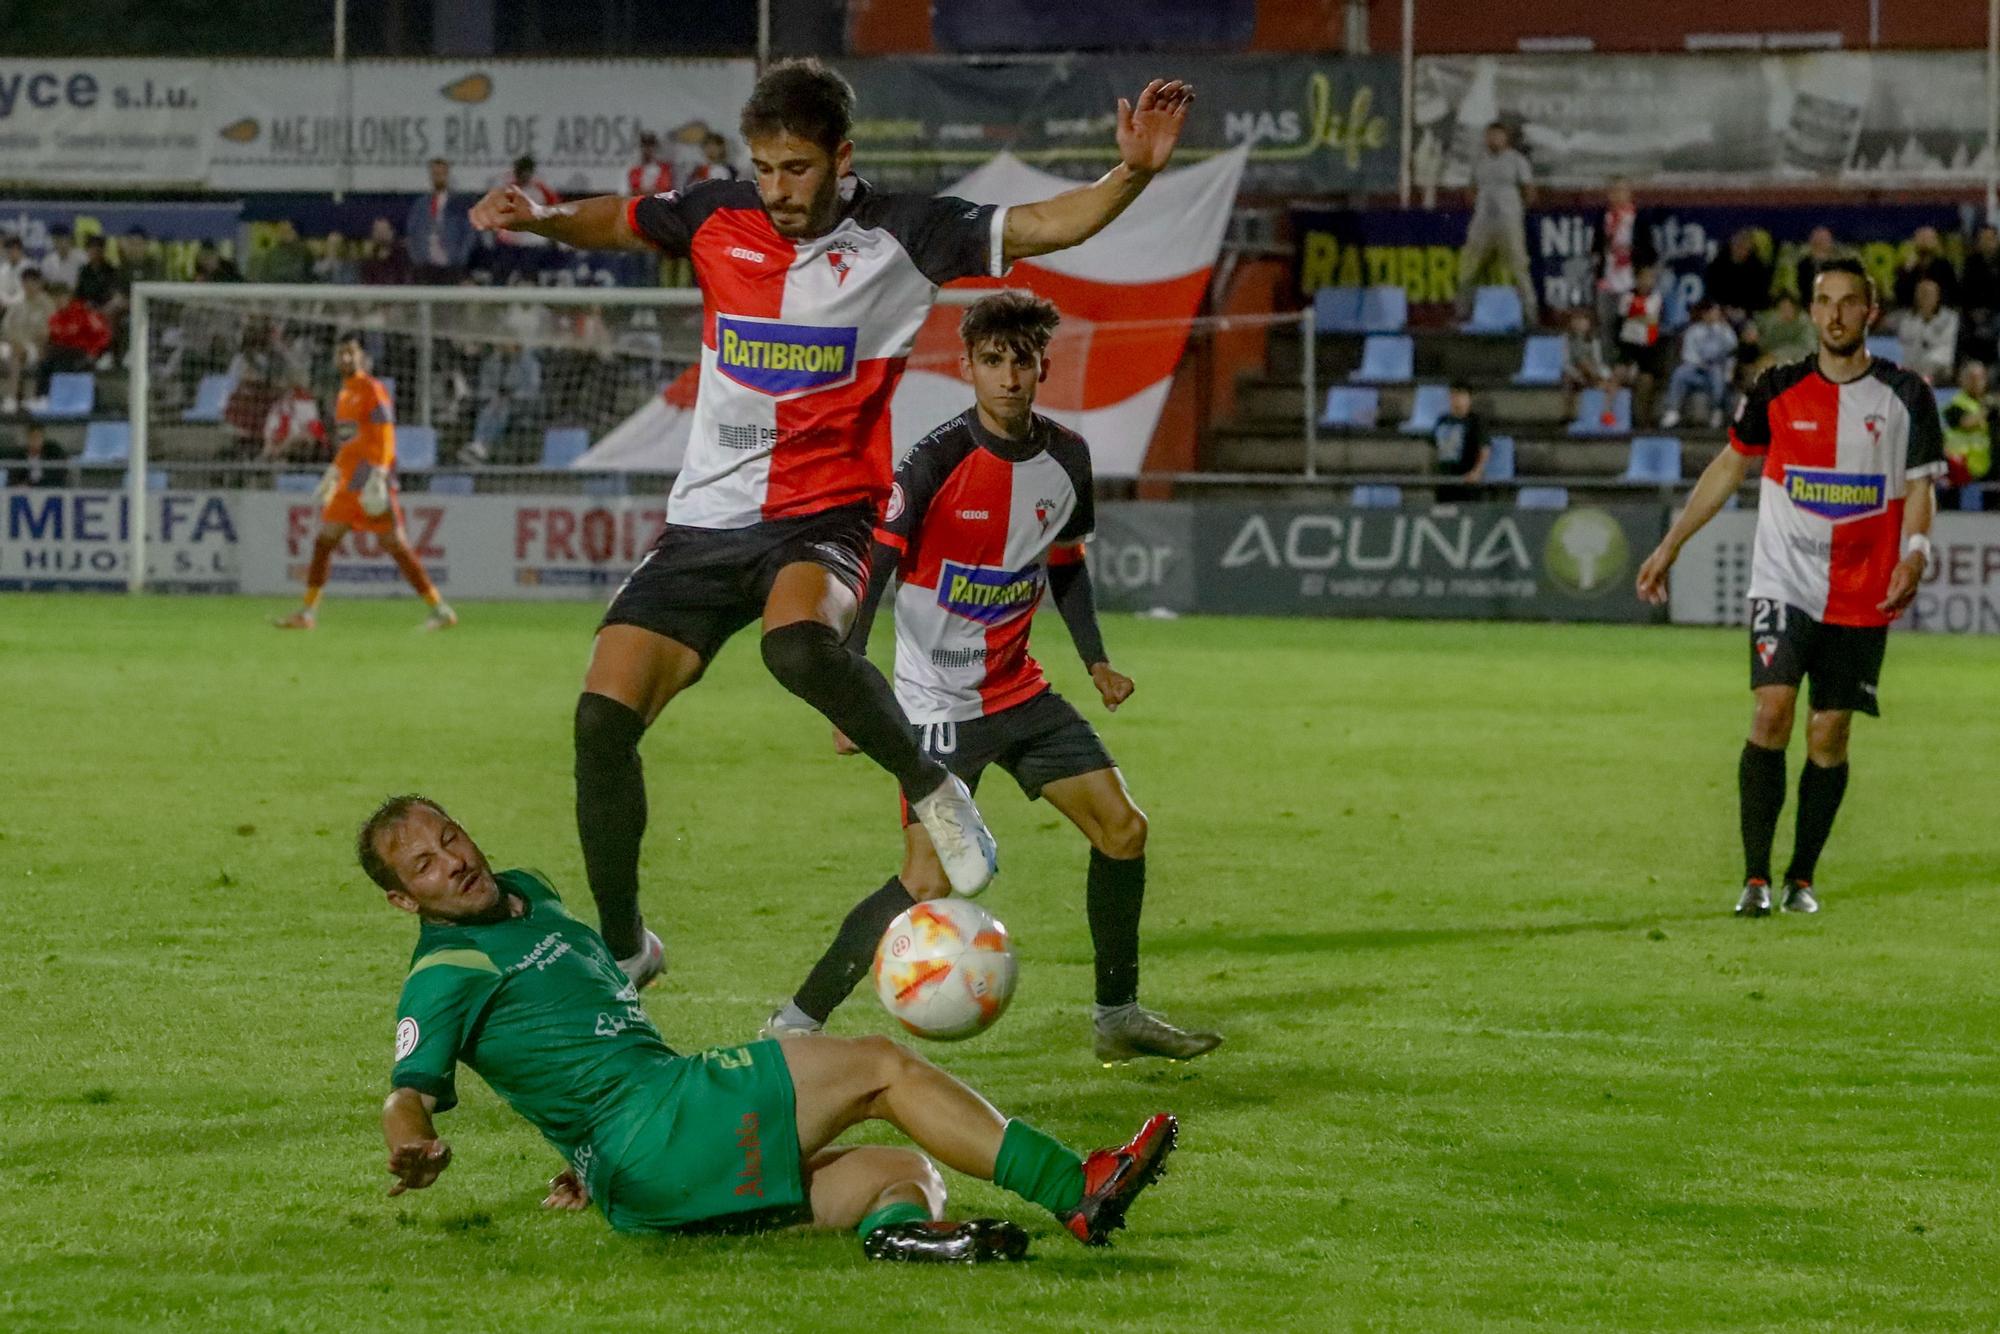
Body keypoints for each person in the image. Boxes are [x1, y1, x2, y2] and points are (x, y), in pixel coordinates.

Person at [467, 59, 1194, 984]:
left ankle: (940, 793)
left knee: (797, 648)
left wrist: (1131, 172)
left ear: (841, 157)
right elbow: (622, 219)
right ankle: (624, 947)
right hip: (703, 525)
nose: (777, 191)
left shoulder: (910, 231)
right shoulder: (718, 213)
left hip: (826, 518)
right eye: (765, 168)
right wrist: (543, 217)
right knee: (600, 722)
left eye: (797, 169)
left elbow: (1052, 225)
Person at [361, 794, 1179, 1263]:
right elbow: (407, 1093)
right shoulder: (443, 972)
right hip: (660, 1121)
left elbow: (571, 1036)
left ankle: (907, 1243)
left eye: (450, 837)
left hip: (643, 1183)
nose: (453, 862)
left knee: (907, 1171)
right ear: (403, 902)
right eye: (423, 866)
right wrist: (412, 1143)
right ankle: (1077, 1187)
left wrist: (587, 1153)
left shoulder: (526, 889)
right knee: (881, 1067)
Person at [765, 293, 1221, 1063]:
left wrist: (1096, 659)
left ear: (1042, 365)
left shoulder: (1067, 458)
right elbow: (877, 566)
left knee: (1123, 830)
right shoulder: (936, 459)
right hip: (937, 706)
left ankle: (1117, 1016)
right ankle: (797, 1022)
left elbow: (1065, 562)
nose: (1008, 377)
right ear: (967, 367)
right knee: (922, 882)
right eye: (991, 361)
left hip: (1022, 691)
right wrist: (851, 685)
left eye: (1020, 361)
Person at [1635, 259, 1944, 917]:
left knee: (1829, 734)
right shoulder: (1774, 388)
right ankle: (1754, 878)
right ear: (1811, 311)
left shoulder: (1907, 394)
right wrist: (1671, 544)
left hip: (1863, 591)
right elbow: (1728, 467)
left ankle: (1801, 877)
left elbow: (1920, 487)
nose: (1834, 314)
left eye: (1848, 302)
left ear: (1871, 312)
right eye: (1823, 301)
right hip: (1784, 581)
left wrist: (1915, 554)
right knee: (1772, 710)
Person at [274, 336, 456, 631]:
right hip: (352, 477)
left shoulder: (372, 389)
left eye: (351, 354)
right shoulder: (343, 395)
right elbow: (349, 444)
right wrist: (334, 471)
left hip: (370, 474)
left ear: (361, 359)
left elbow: (385, 432)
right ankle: (307, 613)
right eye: (341, 353)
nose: (345, 359)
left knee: (395, 544)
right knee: (325, 541)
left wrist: (381, 472)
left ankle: (440, 608)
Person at [1455, 121, 1537, 326]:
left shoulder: (1516, 160)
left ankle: (1530, 316)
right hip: (1483, 221)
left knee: (1519, 268)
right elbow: (1471, 188)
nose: (1493, 140)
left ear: (1505, 138)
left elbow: (1529, 190)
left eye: (1497, 136)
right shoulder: (1479, 161)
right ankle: (1463, 314)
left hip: (1508, 221)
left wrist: (1516, 210)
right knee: (1470, 267)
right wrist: (1478, 205)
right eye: (1489, 135)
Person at [1659, 301, 1738, 429]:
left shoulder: (1726, 331)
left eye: (1716, 312)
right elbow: (1688, 354)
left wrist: (1728, 372)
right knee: (1680, 373)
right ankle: (1673, 412)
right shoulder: (1694, 330)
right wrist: (1701, 364)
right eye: (1711, 312)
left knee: (1716, 372)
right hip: (1698, 371)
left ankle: (1716, 412)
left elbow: (1732, 354)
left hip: (1718, 374)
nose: (1714, 315)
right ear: (1704, 314)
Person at [1593, 177, 1648, 342]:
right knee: (1607, 326)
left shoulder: (1639, 217)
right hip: (1608, 280)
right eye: (1614, 191)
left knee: (1637, 329)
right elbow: (1595, 247)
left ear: (1629, 194)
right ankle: (1609, 363)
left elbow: (1648, 248)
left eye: (1622, 190)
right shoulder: (1603, 218)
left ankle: (1635, 365)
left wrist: (1643, 273)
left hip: (1632, 279)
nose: (1617, 195)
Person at [406, 158, 473, 284]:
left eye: (441, 174)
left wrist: (461, 257)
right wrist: (417, 258)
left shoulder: (459, 203)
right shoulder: (421, 204)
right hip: (426, 263)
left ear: (447, 175)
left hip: (451, 262)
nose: (438, 177)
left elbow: (469, 232)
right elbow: (412, 232)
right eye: (435, 174)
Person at [1939, 358, 1995, 509]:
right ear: (1962, 380)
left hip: (1985, 468)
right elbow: (1966, 422)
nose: (1976, 382)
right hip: (1959, 470)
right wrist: (1989, 408)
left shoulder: (1986, 404)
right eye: (1971, 378)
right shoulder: (1955, 404)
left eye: (1980, 378)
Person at [1, 266, 54, 413]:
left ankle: (11, 398)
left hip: (35, 347)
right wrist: (14, 340)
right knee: (13, 349)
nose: (29, 286)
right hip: (12, 343)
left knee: (16, 353)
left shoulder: (47, 304)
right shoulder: (17, 303)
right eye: (26, 282)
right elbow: (5, 328)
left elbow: (48, 331)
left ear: (39, 283)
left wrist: (26, 343)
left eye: (32, 282)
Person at [1429, 382, 1490, 503]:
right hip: (1444, 482)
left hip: (1467, 483)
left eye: (1461, 395)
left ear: (1469, 399)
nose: (1456, 399)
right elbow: (1434, 447)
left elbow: (1484, 449)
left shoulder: (1475, 422)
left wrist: (1476, 472)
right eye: (1453, 395)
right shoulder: (1442, 421)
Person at [1704, 229, 1773, 327]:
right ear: (1732, 245)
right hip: (1721, 311)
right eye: (1737, 246)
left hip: (1748, 314)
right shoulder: (1718, 264)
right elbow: (1711, 290)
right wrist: (1724, 309)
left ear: (1750, 250)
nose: (1740, 250)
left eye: (1745, 248)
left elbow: (1761, 297)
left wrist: (1746, 311)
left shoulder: (1758, 269)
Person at [1896, 278, 1958, 384]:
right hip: (1912, 369)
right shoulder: (1907, 320)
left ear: (1937, 296)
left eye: (1928, 294)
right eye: (1921, 294)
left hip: (1939, 370)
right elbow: (1904, 346)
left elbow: (1942, 346)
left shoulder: (1949, 318)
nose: (1925, 298)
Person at [1892, 225, 1957, 312]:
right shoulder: (1906, 267)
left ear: (1936, 242)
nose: (1924, 242)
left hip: (1940, 311)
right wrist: (1907, 271)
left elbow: (1952, 292)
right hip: (1910, 312)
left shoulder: (1944, 265)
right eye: (1921, 238)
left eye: (1928, 238)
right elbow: (1900, 295)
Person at [1752, 292, 1815, 368]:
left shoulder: (1804, 323)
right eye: (1781, 308)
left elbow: (1807, 349)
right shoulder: (1775, 324)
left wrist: (1777, 356)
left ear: (1795, 308)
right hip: (1777, 361)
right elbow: (1767, 345)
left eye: (1788, 307)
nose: (1785, 311)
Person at [6, 421, 68, 488]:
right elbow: (13, 478)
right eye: (32, 438)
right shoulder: (19, 456)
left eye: (38, 437)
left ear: (43, 439)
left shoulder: (53, 453)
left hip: (48, 490)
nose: (35, 441)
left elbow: (59, 474)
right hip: (26, 493)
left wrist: (36, 485)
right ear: (27, 439)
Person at [626, 130, 675, 196]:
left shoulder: (663, 169)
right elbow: (629, 191)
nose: (647, 150)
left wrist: (644, 192)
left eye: (650, 147)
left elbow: (664, 190)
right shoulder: (634, 169)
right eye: (644, 147)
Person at [37, 227, 82, 291]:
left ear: (69, 239)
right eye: (56, 239)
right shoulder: (48, 261)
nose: (59, 242)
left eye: (62, 239)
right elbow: (44, 284)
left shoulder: (81, 258)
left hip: (77, 296)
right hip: (55, 296)